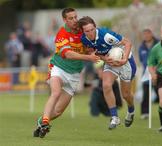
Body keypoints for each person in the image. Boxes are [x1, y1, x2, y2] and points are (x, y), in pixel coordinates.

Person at [33, 8, 100, 138]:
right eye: (71, 18)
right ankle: (46, 123)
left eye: (76, 17)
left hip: (74, 74)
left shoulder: (83, 30)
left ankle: (41, 121)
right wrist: (89, 57)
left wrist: (96, 53)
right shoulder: (62, 34)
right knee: (56, 92)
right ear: (65, 20)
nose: (75, 20)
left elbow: (90, 47)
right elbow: (68, 54)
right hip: (59, 68)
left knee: (58, 112)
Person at [78, 16, 136, 130]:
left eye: (92, 29)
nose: (90, 33)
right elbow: (94, 53)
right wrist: (104, 59)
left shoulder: (106, 35)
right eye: (87, 31)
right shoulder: (84, 39)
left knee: (126, 95)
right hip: (110, 61)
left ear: (95, 27)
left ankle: (131, 111)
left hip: (126, 62)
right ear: (83, 31)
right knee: (106, 85)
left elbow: (128, 43)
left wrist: (124, 60)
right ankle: (115, 117)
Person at [138, 28, 159, 119]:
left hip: (158, 72)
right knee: (145, 94)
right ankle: (145, 112)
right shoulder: (141, 47)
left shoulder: (158, 44)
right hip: (146, 73)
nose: (146, 36)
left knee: (161, 93)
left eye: (148, 34)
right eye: (144, 34)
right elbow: (141, 59)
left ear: (151, 34)